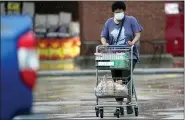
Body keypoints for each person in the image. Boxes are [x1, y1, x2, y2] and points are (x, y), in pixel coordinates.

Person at [100, 1, 143, 115]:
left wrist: (132, 42)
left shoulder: (131, 20)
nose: (119, 13)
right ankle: (119, 106)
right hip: (114, 56)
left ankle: (129, 102)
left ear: (124, 11)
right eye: (117, 12)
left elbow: (137, 34)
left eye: (121, 11)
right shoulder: (109, 23)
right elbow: (103, 36)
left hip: (129, 55)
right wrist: (104, 43)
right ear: (113, 12)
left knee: (125, 77)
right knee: (117, 80)